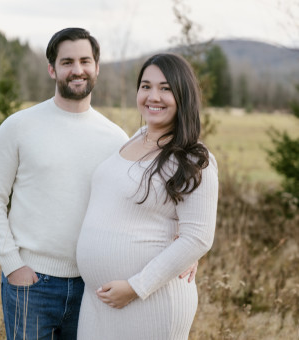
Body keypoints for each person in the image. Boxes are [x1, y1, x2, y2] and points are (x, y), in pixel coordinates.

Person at [0, 28, 197, 340]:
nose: (77, 69)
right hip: (32, 282)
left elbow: (148, 202)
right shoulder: (18, 127)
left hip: (94, 287)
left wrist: (186, 245)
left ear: (97, 67)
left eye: (85, 61)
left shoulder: (117, 139)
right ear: (52, 69)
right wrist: (13, 264)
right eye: (67, 62)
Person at [76, 53, 219, 340]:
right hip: (97, 301)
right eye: (146, 86)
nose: (153, 96)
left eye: (166, 88)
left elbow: (198, 237)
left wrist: (136, 287)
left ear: (184, 95)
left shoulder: (192, 158)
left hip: (150, 300)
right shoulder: (136, 136)